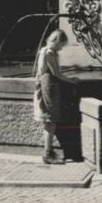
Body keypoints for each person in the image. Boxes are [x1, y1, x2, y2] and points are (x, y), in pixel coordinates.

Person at [33, 29, 69, 164]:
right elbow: (56, 74)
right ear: (56, 40)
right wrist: (73, 81)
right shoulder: (48, 53)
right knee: (50, 120)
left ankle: (49, 151)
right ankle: (48, 154)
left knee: (49, 120)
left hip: (48, 85)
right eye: (61, 44)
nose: (61, 48)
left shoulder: (46, 51)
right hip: (49, 87)